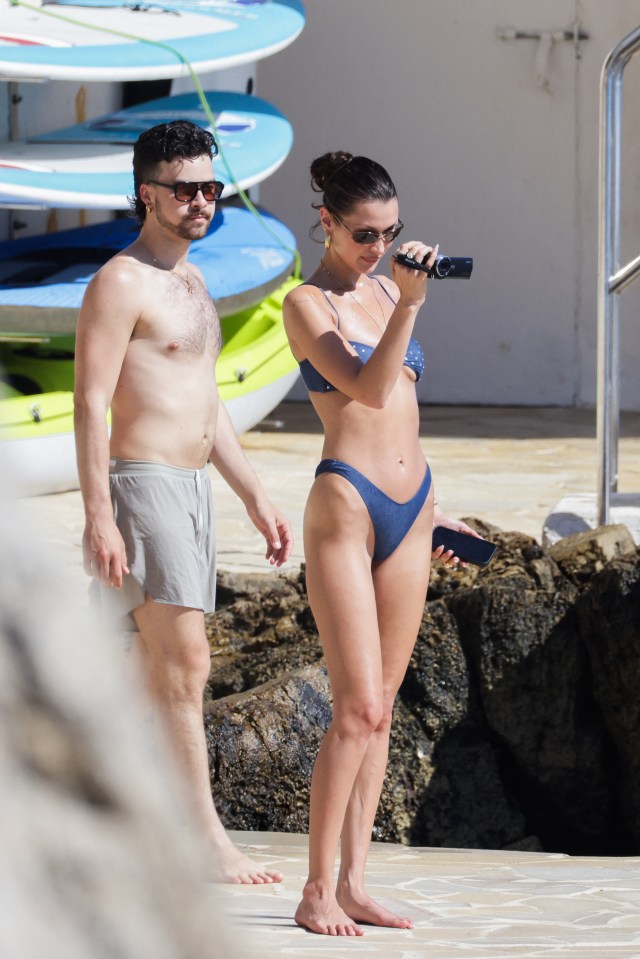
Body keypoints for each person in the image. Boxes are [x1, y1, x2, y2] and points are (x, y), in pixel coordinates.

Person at [74, 120, 292, 884]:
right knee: (187, 660)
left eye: (211, 187)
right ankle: (203, 834)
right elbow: (90, 403)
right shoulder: (120, 281)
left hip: (194, 488)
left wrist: (256, 494)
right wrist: (99, 514)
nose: (201, 201)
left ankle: (88, 800)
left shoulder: (195, 282)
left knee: (146, 668)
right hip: (143, 485)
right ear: (147, 193)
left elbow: (207, 403)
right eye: (185, 189)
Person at [282, 151, 478, 935]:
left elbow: (404, 411)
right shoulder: (308, 303)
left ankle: (357, 880)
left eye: (391, 233)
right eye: (365, 235)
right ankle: (315, 888)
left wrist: (439, 509)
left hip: (413, 503)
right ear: (326, 221)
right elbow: (364, 391)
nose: (379, 249)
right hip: (347, 504)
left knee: (386, 711)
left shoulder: (388, 288)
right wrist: (410, 305)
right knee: (355, 707)